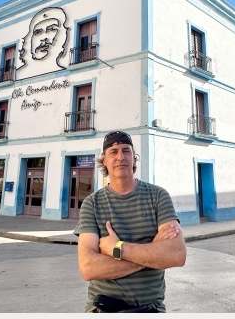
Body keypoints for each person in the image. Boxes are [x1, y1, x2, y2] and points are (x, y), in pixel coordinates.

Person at [75, 131, 186, 313]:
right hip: (102, 308)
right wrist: (153, 252)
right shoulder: (92, 203)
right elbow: (88, 268)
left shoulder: (158, 196)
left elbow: (177, 255)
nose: (120, 157)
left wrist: (117, 248)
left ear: (134, 158)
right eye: (113, 152)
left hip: (151, 308)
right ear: (104, 160)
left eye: (126, 151)